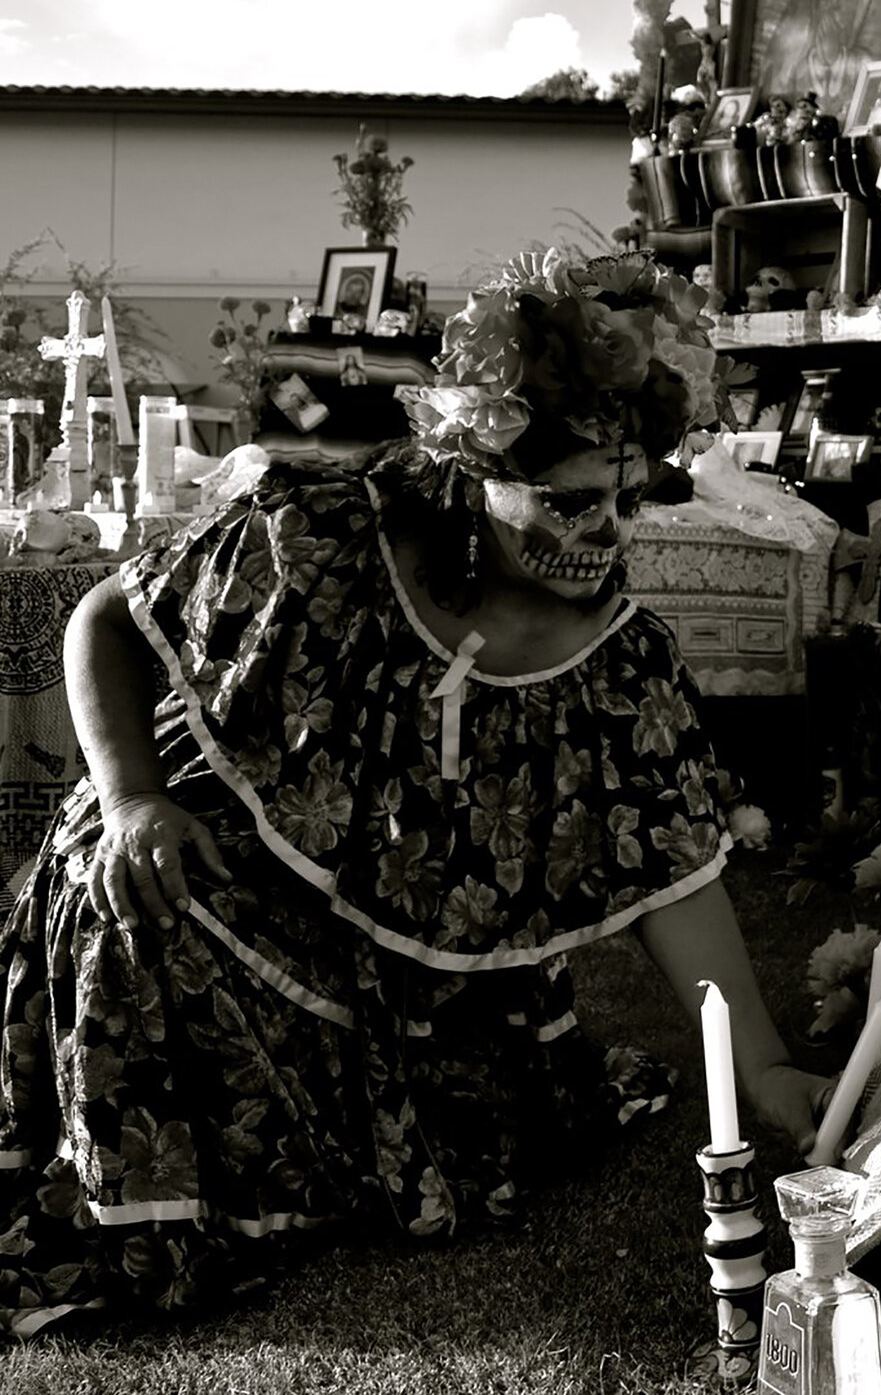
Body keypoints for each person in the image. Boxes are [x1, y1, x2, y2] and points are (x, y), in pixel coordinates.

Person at [0, 247, 831, 1333]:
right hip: (207, 837)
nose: (607, 538)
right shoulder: (329, 528)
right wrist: (129, 801)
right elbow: (105, 616)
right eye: (569, 504)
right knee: (142, 912)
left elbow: (671, 862)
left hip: (417, 957)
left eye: (630, 501)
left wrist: (762, 1064)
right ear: (473, 466)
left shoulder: (623, 660)